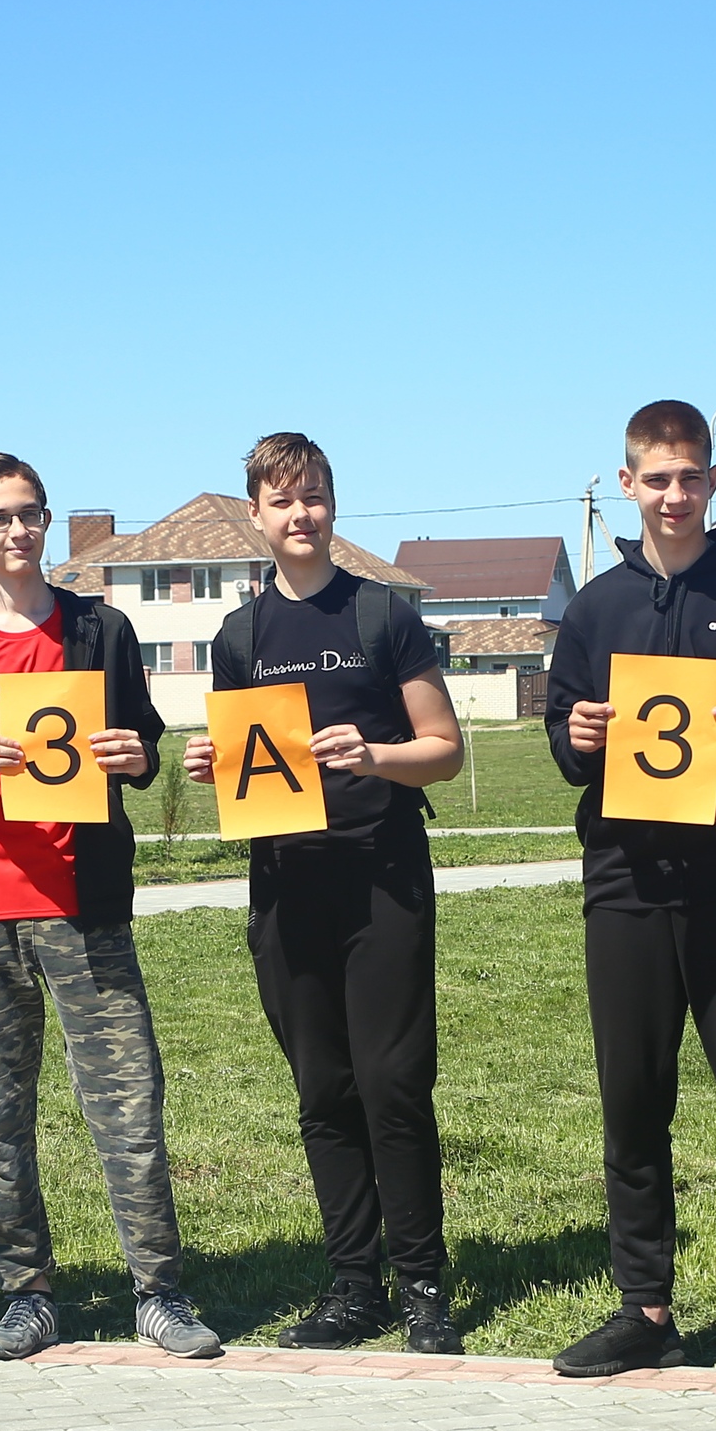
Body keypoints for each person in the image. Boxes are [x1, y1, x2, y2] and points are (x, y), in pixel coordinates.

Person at [0, 452, 219, 1362]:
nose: (19, 530)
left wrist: (135, 756)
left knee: (128, 1104)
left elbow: (142, 741)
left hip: (82, 906)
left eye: (31, 512)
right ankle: (27, 1295)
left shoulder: (99, 629)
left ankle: (160, 1292)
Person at [540, 400, 716, 1390]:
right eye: (656, 478)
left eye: (689, 477)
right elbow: (562, 736)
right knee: (632, 1106)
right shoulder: (594, 607)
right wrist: (576, 736)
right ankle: (644, 1310)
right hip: (624, 884)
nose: (673, 495)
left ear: (713, 481)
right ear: (627, 482)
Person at [183, 432, 467, 1353]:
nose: (300, 513)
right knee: (323, 1090)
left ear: (333, 505)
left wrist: (375, 755)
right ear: (256, 515)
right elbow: (250, 772)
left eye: (313, 496)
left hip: (381, 878)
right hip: (285, 888)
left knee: (392, 1084)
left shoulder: (381, 614)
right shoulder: (240, 637)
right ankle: (353, 1285)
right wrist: (211, 767)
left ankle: (422, 1284)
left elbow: (445, 748)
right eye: (282, 499)